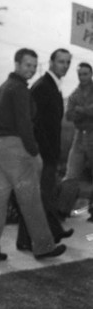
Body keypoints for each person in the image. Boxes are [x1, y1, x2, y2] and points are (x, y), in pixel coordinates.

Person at [0, 48, 66, 261]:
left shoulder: (3, 88)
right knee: (32, 201)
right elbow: (24, 125)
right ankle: (44, 247)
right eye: (27, 65)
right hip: (17, 148)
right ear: (17, 64)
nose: (30, 70)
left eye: (33, 66)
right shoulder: (19, 89)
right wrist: (35, 152)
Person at [16, 49, 74, 249]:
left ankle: (24, 241)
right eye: (60, 62)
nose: (64, 66)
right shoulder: (43, 87)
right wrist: (43, 153)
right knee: (41, 196)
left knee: (38, 195)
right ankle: (53, 230)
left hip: (48, 152)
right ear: (50, 62)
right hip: (42, 154)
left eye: (67, 62)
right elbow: (36, 124)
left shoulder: (53, 86)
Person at [57, 62, 93, 222]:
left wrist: (82, 110)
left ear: (91, 74)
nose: (83, 77)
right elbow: (69, 115)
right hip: (79, 135)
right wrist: (85, 111)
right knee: (71, 172)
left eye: (86, 73)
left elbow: (78, 111)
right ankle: (63, 210)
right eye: (80, 74)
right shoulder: (74, 94)